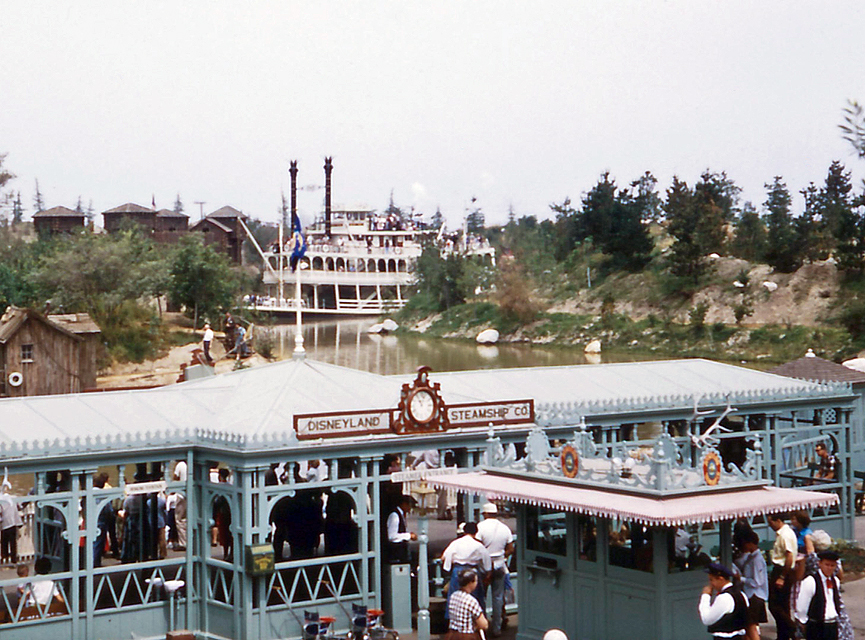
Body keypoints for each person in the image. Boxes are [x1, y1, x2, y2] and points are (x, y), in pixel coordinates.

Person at [475, 502, 514, 637]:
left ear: (485, 514)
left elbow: (477, 547)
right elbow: (510, 549)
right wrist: (502, 557)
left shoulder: (480, 527)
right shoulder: (505, 528)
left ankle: (483, 627)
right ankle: (497, 628)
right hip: (499, 564)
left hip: (484, 566)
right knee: (498, 597)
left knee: (481, 597)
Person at [442, 522, 491, 613]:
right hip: (472, 571)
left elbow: (444, 557)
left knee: (455, 598)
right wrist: (487, 573)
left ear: (464, 531)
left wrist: (448, 568)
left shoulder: (455, 543)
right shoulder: (478, 545)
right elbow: (487, 561)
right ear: (476, 532)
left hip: (457, 570)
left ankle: (454, 619)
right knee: (474, 598)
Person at [795, 550, 845, 640]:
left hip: (832, 624)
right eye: (827, 565)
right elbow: (801, 606)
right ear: (819, 564)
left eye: (832, 565)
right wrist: (804, 622)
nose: (829, 568)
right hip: (816, 625)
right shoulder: (811, 581)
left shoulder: (835, 581)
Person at [732, 530, 768, 640]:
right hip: (751, 595)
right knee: (748, 626)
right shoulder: (750, 558)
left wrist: (741, 579)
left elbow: (757, 582)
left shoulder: (757, 560)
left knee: (751, 625)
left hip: (755, 595)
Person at [698, 562, 748, 639]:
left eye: (711, 580)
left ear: (721, 579)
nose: (710, 584)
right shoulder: (741, 594)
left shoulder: (724, 598)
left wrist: (705, 596)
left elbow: (706, 619)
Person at [767, 512, 797, 640]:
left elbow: (789, 556)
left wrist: (782, 576)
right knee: (783, 605)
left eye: (771, 522)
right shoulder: (781, 534)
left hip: (782, 570)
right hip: (780, 569)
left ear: (778, 520)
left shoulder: (785, 535)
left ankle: (792, 627)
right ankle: (784, 635)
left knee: (774, 605)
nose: (770, 525)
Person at [444, 568, 488, 640]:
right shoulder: (471, 601)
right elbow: (484, 625)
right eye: (476, 581)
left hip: (452, 635)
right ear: (471, 582)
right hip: (467, 636)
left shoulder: (453, 596)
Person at [386, 494, 417, 564]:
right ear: (404, 504)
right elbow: (391, 536)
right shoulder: (395, 515)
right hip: (395, 551)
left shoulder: (402, 515)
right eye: (409, 506)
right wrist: (408, 536)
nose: (410, 509)